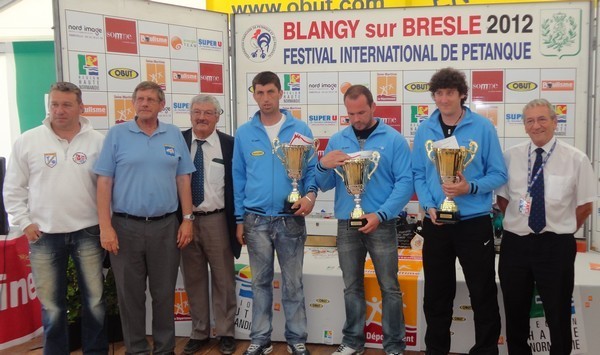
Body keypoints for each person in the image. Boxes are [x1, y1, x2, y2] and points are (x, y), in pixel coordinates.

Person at [3, 82, 107, 354]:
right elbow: (12, 188)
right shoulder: (28, 140)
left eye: (66, 105)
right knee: (52, 305)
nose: (59, 111)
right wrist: (24, 222)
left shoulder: (98, 141)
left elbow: (108, 188)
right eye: (54, 105)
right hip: (44, 236)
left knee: (94, 301)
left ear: (80, 107)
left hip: (89, 232)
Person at [94, 81, 195, 355]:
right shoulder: (116, 135)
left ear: (162, 105)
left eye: (151, 99)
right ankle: (136, 350)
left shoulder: (173, 135)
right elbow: (104, 183)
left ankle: (165, 349)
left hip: (166, 226)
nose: (145, 103)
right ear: (133, 103)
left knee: (164, 295)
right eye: (140, 98)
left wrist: (187, 219)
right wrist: (106, 227)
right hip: (125, 228)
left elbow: (183, 178)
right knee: (130, 297)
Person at [411, 67, 507, 355]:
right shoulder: (425, 129)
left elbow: (499, 173)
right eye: (438, 93)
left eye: (449, 93)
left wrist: (471, 188)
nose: (443, 99)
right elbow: (418, 173)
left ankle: (486, 350)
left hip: (474, 223)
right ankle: (436, 350)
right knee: (436, 295)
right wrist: (428, 206)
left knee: (482, 292)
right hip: (436, 223)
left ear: (462, 94)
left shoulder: (483, 127)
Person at [316, 85, 413, 355]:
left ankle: (394, 345)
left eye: (361, 112)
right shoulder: (337, 140)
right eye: (350, 114)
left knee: (390, 287)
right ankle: (352, 342)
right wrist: (323, 164)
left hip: (381, 223)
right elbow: (322, 184)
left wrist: (381, 214)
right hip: (347, 223)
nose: (356, 119)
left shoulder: (394, 140)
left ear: (373, 108)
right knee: (352, 286)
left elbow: (405, 183)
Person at [496, 99, 595, 354]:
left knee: (558, 311)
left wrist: (561, 228)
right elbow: (503, 199)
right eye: (530, 120)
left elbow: (584, 206)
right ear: (524, 126)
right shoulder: (510, 157)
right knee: (515, 310)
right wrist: (522, 223)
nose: (536, 125)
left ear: (555, 122)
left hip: (555, 245)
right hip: (516, 244)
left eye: (542, 119)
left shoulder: (576, 159)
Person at [233, 71, 317, 355]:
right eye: (260, 92)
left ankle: (296, 339)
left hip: (290, 217)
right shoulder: (245, 133)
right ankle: (260, 338)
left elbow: (312, 171)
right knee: (259, 283)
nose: (265, 98)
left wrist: (309, 195)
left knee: (293, 283)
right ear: (254, 94)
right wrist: (238, 218)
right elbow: (238, 178)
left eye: (270, 92)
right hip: (255, 219)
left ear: (281, 93)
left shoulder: (300, 129)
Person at [180, 94, 241, 355]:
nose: (201, 117)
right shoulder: (178, 141)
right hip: (186, 222)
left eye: (207, 112)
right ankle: (199, 332)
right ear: (190, 115)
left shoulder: (230, 145)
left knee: (224, 280)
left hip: (218, 220)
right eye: (197, 112)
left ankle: (226, 332)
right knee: (193, 280)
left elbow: (238, 185)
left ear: (218, 116)